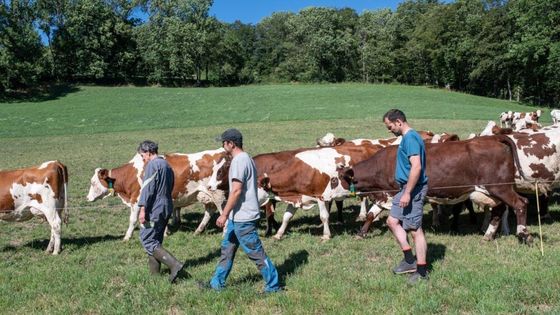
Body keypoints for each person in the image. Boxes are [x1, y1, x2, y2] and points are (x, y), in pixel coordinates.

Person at [199, 128, 281, 293]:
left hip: (243, 218)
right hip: (237, 217)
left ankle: (273, 285)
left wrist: (223, 214)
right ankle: (216, 284)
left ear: (231, 143)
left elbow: (236, 190)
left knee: (256, 253)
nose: (223, 146)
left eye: (224, 143)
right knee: (227, 249)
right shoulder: (247, 158)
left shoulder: (239, 161)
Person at [382, 109, 429, 284]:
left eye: (390, 126)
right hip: (405, 188)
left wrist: (408, 193)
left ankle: (422, 271)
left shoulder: (410, 138)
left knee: (416, 230)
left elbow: (416, 167)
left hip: (413, 189)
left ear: (399, 121)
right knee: (392, 221)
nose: (389, 130)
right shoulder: (408, 138)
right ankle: (409, 260)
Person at [137, 140, 185, 283]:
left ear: (148, 152)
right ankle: (155, 276)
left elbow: (147, 189)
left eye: (142, 155)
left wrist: (142, 210)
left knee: (147, 239)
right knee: (156, 240)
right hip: (166, 205)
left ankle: (174, 265)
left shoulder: (152, 165)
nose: (142, 159)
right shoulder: (166, 165)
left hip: (154, 208)